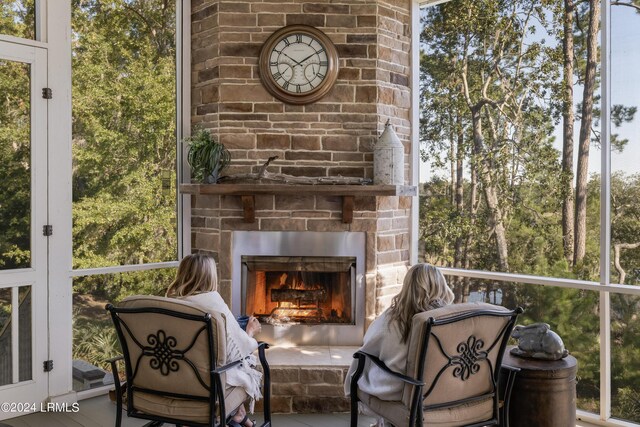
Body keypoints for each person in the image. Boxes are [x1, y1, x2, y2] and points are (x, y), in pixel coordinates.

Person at [344, 263, 455, 427]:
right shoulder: (453, 319)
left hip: (406, 391)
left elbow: (368, 346)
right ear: (441, 286)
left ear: (408, 286)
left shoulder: (392, 320)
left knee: (363, 361)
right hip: (444, 389)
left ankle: (385, 422)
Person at [166, 253, 261, 427]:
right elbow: (241, 350)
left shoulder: (168, 305)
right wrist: (250, 332)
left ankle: (240, 417)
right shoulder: (214, 305)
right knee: (242, 364)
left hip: (173, 378)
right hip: (205, 383)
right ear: (210, 277)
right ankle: (238, 416)